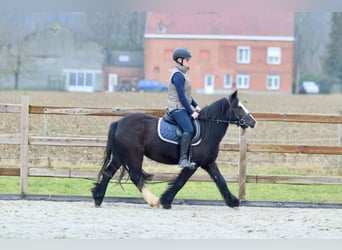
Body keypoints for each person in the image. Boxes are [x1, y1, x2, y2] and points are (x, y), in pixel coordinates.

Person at [167, 48, 201, 169]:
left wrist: (196, 105)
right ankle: (183, 160)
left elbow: (187, 96)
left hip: (182, 106)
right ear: (179, 60)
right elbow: (181, 97)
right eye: (187, 60)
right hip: (176, 108)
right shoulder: (177, 75)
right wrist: (191, 112)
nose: (188, 62)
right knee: (189, 130)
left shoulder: (182, 75)